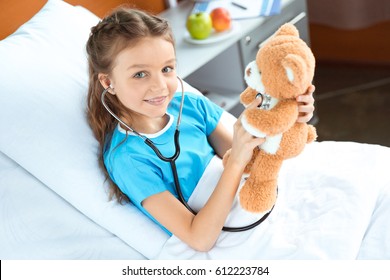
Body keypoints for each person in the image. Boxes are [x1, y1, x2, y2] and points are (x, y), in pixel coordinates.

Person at [86, 7, 315, 252]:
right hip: (228, 237)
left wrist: (288, 116)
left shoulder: (189, 106)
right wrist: (236, 160)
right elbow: (200, 239)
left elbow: (255, 161)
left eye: (167, 69)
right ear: (108, 82)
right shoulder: (128, 158)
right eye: (140, 74)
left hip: (256, 206)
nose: (160, 86)